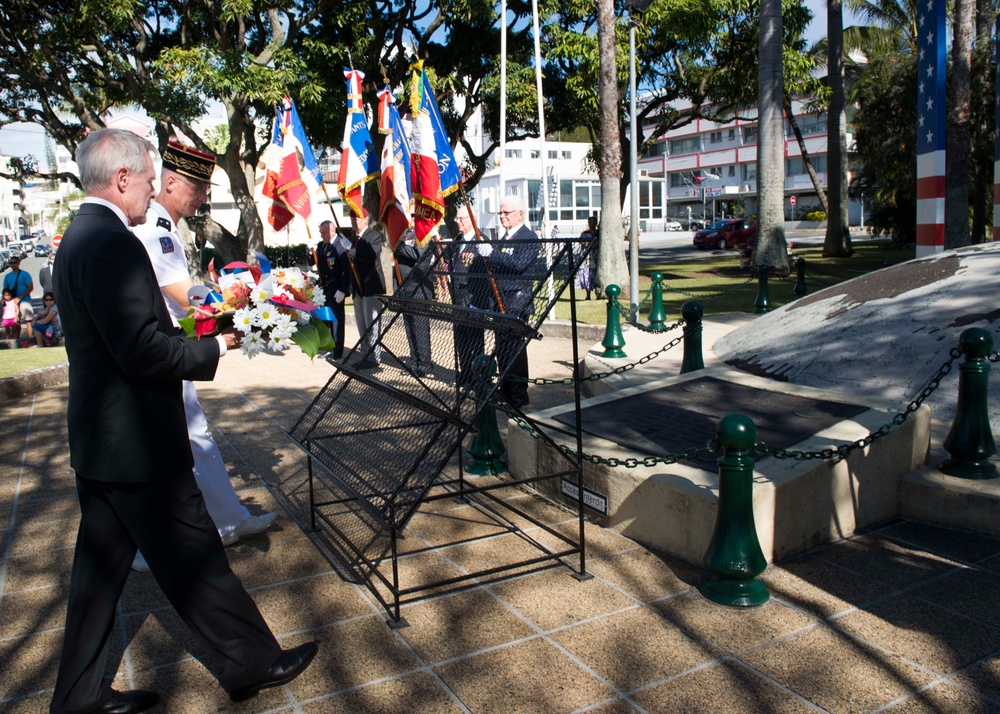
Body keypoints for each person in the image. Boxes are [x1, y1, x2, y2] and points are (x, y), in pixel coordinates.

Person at [49, 128, 317, 714]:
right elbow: (142, 349)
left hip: (102, 440)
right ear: (121, 179)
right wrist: (216, 347)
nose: (153, 188)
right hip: (137, 441)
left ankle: (78, 699)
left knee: (97, 581)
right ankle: (252, 661)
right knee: (193, 553)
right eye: (147, 178)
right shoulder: (111, 243)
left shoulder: (77, 238)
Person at [132, 140, 275, 568]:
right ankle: (143, 545)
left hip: (167, 346)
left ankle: (229, 521)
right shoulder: (155, 229)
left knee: (193, 437)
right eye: (197, 187)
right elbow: (180, 295)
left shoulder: (165, 225)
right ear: (171, 182)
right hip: (159, 349)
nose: (203, 196)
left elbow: (184, 291)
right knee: (164, 444)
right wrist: (240, 305)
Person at [467, 195, 540, 408]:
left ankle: (518, 394)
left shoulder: (529, 237)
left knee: (515, 350)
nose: (502, 216)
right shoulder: (504, 238)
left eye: (506, 213)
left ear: (520, 214)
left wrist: (493, 254)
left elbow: (518, 264)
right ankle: (506, 389)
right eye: (500, 213)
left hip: (516, 301)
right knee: (502, 348)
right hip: (499, 301)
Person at [350, 208, 387, 368]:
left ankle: (374, 358)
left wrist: (351, 251)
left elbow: (369, 256)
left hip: (371, 287)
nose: (353, 221)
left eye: (356, 218)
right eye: (352, 218)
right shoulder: (356, 238)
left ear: (365, 219)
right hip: (357, 289)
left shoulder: (373, 235)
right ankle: (365, 355)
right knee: (362, 326)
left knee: (372, 325)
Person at [394, 228, 433, 376]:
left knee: (420, 328)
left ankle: (424, 365)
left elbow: (417, 254)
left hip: (419, 289)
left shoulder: (425, 236)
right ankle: (414, 362)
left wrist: (398, 246)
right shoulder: (406, 236)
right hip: (404, 288)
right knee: (409, 328)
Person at [315, 220, 353, 360]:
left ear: (332, 231)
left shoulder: (340, 245)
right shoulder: (322, 245)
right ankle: (330, 346)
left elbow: (347, 270)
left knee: (336, 321)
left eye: (324, 233)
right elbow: (313, 262)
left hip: (336, 287)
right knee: (327, 320)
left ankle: (337, 351)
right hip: (325, 288)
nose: (322, 235)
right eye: (320, 233)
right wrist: (309, 250)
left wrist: (343, 289)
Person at [2, 254, 33, 343]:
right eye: (11, 263)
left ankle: (30, 339)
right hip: (12, 302)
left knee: (28, 320)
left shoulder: (25, 274)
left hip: (24, 300)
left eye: (15, 262)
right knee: (16, 323)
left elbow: (30, 287)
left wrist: (21, 297)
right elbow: (5, 289)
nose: (13, 264)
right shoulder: (7, 276)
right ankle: (17, 340)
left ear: (19, 263)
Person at [577, 215, 599, 300]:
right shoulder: (585, 233)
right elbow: (581, 242)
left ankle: (598, 294)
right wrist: (589, 244)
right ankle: (588, 295)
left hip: (596, 256)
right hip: (587, 258)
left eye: (593, 222)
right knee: (587, 275)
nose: (592, 224)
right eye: (590, 222)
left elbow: (598, 243)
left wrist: (591, 244)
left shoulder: (599, 233)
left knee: (596, 275)